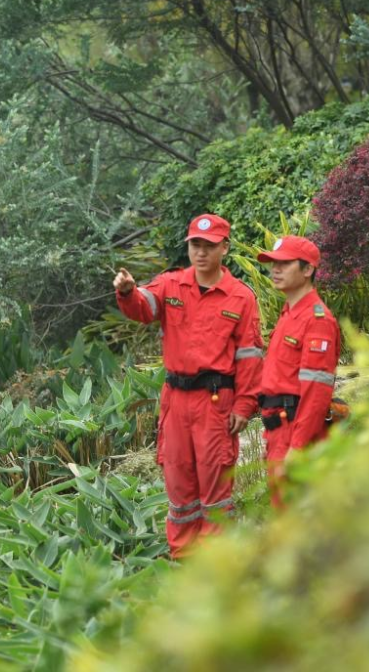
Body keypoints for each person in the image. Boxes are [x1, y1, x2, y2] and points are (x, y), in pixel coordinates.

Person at [113, 214, 264, 558]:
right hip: (176, 401)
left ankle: (213, 565)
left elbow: (250, 357)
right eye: (195, 244)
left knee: (215, 484)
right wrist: (126, 292)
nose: (201, 252)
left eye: (209, 246)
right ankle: (181, 558)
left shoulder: (241, 297)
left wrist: (244, 405)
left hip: (216, 402)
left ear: (224, 248)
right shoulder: (170, 285)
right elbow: (142, 307)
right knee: (179, 483)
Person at [255, 236, 340, 508]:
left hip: (296, 432)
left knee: (299, 520)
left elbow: (316, 391)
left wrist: (297, 448)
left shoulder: (317, 320)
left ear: (307, 270)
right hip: (279, 430)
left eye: (284, 263)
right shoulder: (289, 313)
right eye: (273, 264)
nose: (275, 269)